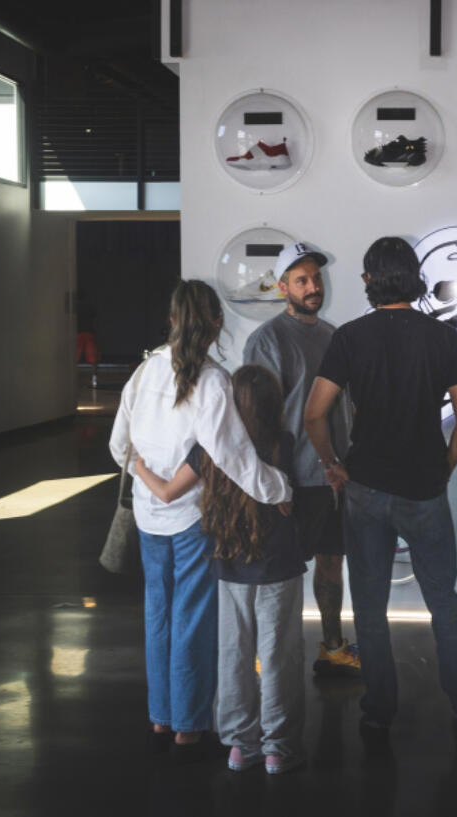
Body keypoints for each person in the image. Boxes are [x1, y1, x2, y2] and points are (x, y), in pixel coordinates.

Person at [304, 236, 457, 735]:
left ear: (368, 281)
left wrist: (331, 463)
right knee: (444, 604)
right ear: (413, 276)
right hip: (425, 488)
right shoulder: (442, 336)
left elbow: (314, 413)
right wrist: (443, 467)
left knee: (368, 610)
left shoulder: (350, 338)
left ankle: (378, 712)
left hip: (364, 487)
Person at [109, 280, 291, 761]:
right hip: (192, 518)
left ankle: (160, 715)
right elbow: (231, 454)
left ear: (171, 320)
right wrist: (278, 490)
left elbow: (117, 445)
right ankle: (189, 725)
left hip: (149, 517)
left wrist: (150, 478)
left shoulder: (145, 371)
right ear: (216, 323)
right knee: (192, 618)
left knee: (158, 614)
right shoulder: (213, 381)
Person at [134, 365, 307, 775]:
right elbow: (290, 498)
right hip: (277, 567)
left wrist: (138, 465)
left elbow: (166, 492)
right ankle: (277, 750)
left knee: (233, 656)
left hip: (229, 565)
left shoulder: (208, 447)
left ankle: (238, 747)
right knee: (278, 656)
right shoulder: (282, 442)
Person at [242, 242, 360, 677]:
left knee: (332, 562)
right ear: (282, 287)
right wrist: (270, 484)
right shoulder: (267, 340)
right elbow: (256, 420)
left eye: (316, 278)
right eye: (301, 280)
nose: (313, 287)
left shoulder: (332, 336)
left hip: (336, 476)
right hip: (293, 481)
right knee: (280, 574)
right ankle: (268, 655)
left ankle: (331, 647)